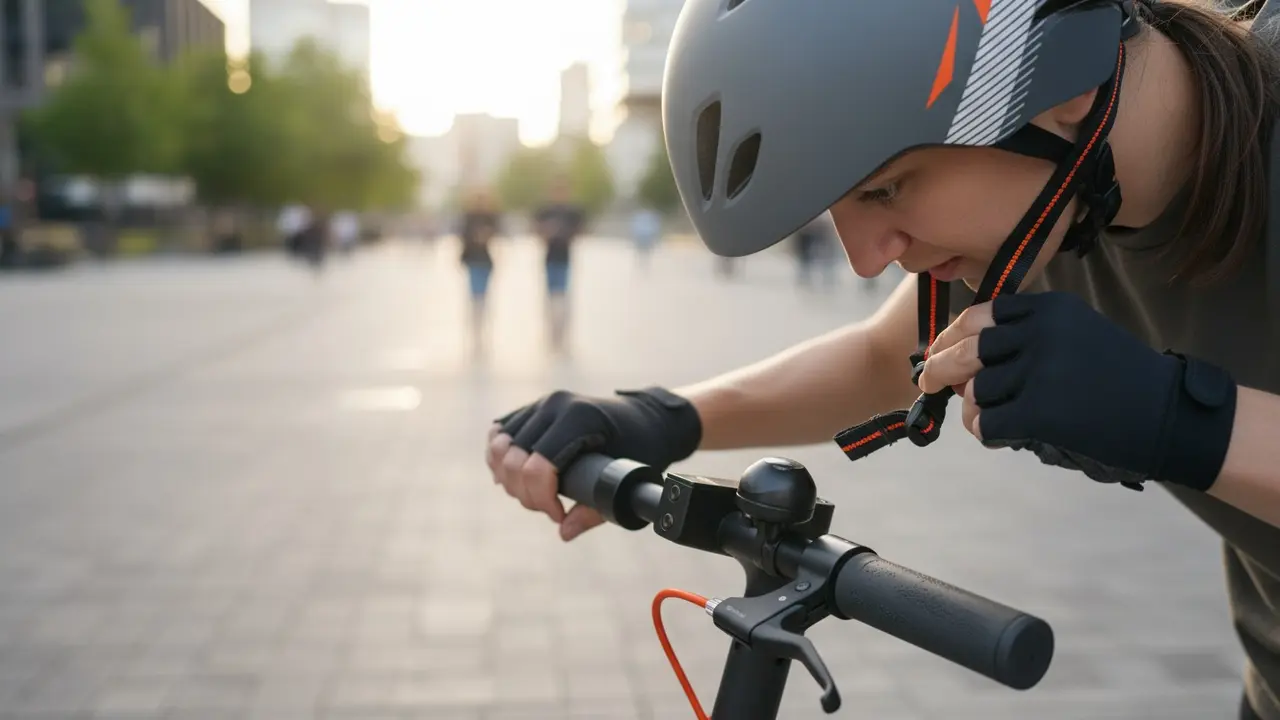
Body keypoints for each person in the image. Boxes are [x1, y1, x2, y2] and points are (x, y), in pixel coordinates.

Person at [485, 2, 1280, 718]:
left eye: (889, 188)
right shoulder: (1052, 198)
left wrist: (1178, 421)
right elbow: (881, 356)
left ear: (1058, 87)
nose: (866, 260)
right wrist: (663, 416)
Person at [533, 178, 586, 351]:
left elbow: (581, 230)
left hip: (565, 257)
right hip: (549, 257)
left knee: (563, 298)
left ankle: (563, 335)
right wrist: (546, 232)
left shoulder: (572, 212)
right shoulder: (546, 211)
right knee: (550, 298)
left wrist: (566, 233)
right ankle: (551, 334)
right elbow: (536, 229)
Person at [458, 190, 503, 353]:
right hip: (473, 260)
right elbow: (463, 236)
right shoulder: (468, 218)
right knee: (474, 296)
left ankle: (482, 329)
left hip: (486, 260)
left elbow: (497, 234)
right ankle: (475, 331)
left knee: (483, 297)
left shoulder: (491, 218)